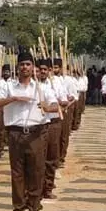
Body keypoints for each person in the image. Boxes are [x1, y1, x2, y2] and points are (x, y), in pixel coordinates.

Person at [0, 52, 59, 211]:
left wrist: (46, 107)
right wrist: (13, 98)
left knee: (36, 172)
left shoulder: (42, 87)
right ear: (17, 67)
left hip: (36, 133)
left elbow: (56, 106)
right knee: (17, 174)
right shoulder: (8, 86)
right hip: (15, 133)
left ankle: (34, 210)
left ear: (33, 67)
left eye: (28, 64)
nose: (25, 67)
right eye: (22, 64)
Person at [36, 59, 67, 200]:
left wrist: (57, 102)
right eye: (40, 69)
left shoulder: (56, 84)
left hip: (53, 122)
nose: (42, 71)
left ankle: (48, 187)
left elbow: (65, 101)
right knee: (38, 157)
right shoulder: (33, 85)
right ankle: (37, 187)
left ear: (49, 71)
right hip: (37, 123)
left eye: (45, 69)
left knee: (51, 156)